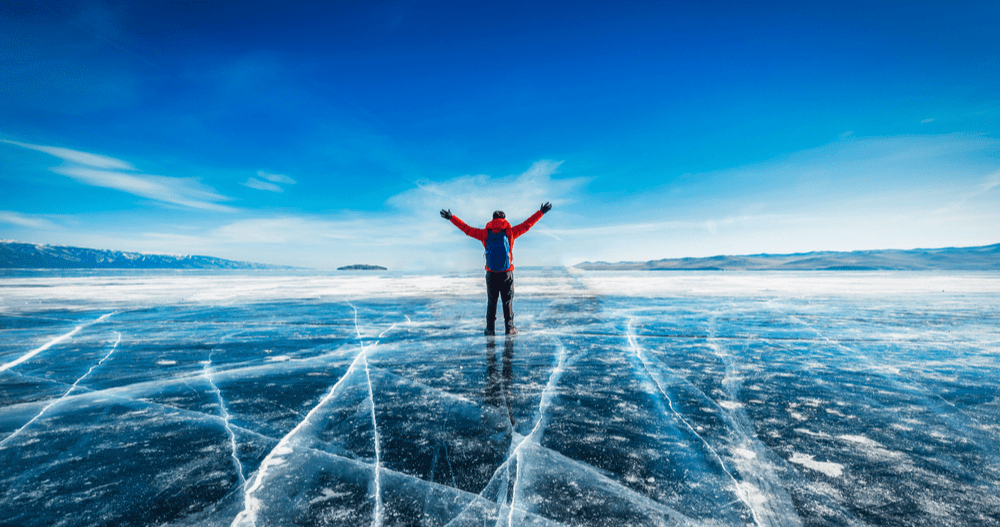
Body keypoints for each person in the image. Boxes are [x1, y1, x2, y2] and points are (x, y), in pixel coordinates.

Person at [440, 202, 552, 335]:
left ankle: (490, 329)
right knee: (507, 301)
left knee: (491, 302)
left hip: (491, 274)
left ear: (492, 219)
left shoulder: (484, 233)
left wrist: (451, 217)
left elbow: (466, 229)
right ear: (504, 219)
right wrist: (541, 212)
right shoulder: (510, 232)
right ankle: (509, 328)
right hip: (506, 273)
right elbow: (527, 225)